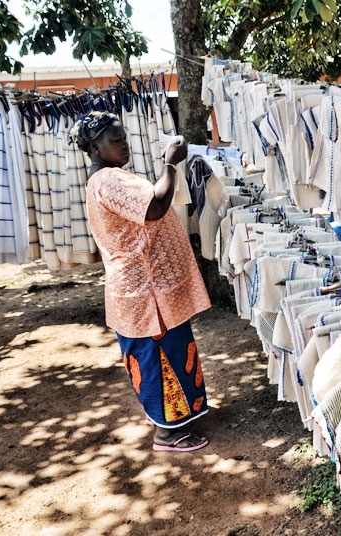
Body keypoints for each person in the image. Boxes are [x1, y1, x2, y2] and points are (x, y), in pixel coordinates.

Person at [70, 111, 212, 452]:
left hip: (146, 289)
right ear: (95, 147)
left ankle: (173, 417)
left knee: (169, 352)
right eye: (116, 141)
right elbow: (155, 207)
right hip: (146, 293)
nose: (125, 145)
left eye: (125, 139)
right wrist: (170, 163)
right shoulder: (108, 180)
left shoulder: (107, 178)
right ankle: (168, 434)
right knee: (159, 356)